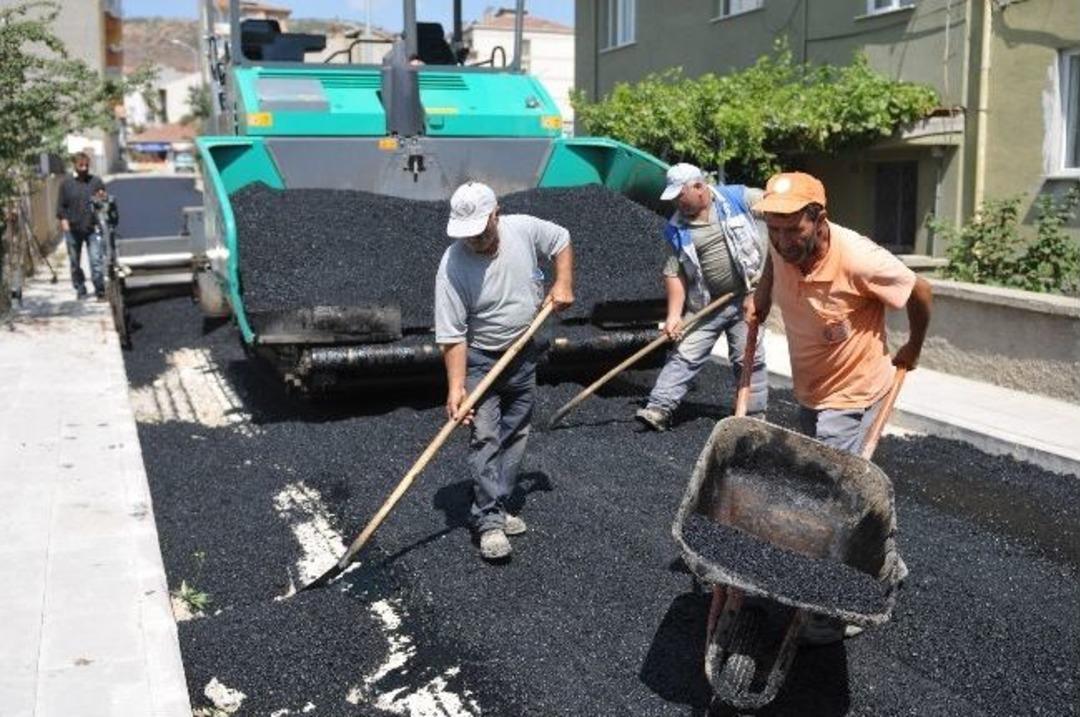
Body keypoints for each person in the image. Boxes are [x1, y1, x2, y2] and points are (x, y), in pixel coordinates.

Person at [746, 171, 931, 642]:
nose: (785, 240)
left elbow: (920, 290)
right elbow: (773, 260)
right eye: (776, 230)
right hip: (811, 390)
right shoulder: (782, 245)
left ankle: (834, 609)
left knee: (829, 502)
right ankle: (886, 563)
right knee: (844, 491)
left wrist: (913, 345)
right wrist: (762, 297)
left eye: (794, 230)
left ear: (819, 218)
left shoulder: (859, 259)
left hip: (852, 395)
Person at [435, 181, 574, 562]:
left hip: (523, 352)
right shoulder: (453, 265)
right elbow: (451, 334)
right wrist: (456, 388)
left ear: (496, 214)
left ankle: (496, 502)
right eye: (467, 234)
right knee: (485, 437)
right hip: (481, 358)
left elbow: (561, 239)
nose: (474, 241)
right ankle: (489, 523)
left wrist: (563, 282)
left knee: (515, 433)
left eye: (480, 230)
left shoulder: (524, 229)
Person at [635, 163, 769, 432]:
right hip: (706, 304)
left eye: (679, 196)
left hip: (748, 295)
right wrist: (674, 315)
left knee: (748, 357)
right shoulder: (676, 227)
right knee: (686, 352)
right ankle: (658, 408)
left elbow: (776, 203)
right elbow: (675, 272)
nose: (677, 203)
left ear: (699, 187)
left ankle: (754, 420)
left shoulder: (737, 198)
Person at [57, 152, 107, 300]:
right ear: (75, 165)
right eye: (81, 165)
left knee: (96, 261)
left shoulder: (96, 181)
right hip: (72, 229)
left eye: (86, 165)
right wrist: (64, 223)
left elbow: (103, 203)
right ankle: (80, 287)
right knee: (74, 262)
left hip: (92, 228)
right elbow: (61, 207)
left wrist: (102, 198)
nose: (84, 168)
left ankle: (100, 289)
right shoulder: (66, 184)